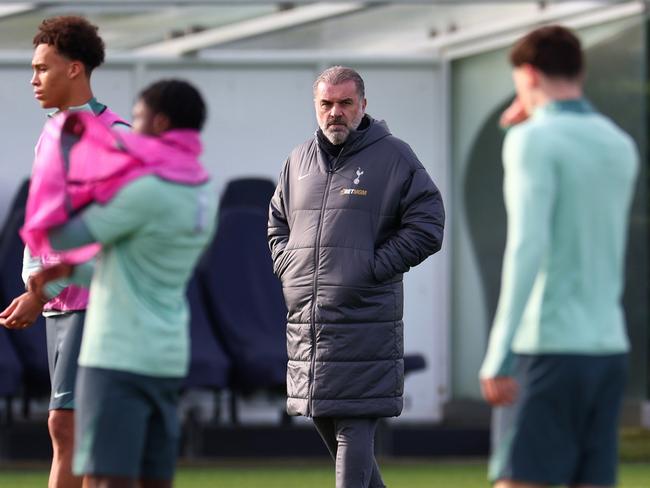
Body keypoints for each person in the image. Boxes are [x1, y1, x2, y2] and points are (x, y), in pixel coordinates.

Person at [28, 79, 216, 488]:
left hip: (117, 357)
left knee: (106, 480)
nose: (130, 127)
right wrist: (70, 273)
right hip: (166, 357)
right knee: (153, 480)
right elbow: (133, 269)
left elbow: (62, 235)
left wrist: (57, 171)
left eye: (137, 118)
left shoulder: (145, 190)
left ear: (159, 122)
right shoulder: (203, 192)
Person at [268, 66, 445, 488]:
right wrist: (290, 267)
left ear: (363, 105)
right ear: (316, 106)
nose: (335, 113)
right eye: (327, 104)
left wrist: (369, 270)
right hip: (308, 322)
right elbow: (276, 222)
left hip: (365, 319)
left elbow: (428, 224)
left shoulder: (394, 156)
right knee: (326, 417)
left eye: (345, 103)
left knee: (354, 425)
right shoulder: (298, 161)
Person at [479, 26, 639, 488]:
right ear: (580, 72)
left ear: (527, 74)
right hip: (608, 350)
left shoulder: (531, 141)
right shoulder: (619, 143)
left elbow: (528, 247)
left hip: (546, 349)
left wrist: (499, 353)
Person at [0, 16, 127, 488]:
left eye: (43, 69)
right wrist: (33, 288)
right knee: (73, 429)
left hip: (98, 301)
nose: (34, 80)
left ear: (75, 69)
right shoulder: (52, 134)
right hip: (60, 303)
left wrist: (41, 290)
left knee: (71, 427)